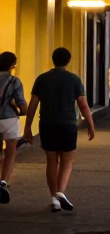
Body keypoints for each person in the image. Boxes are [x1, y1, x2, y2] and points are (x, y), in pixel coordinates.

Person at [22, 47, 96, 212]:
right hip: (68, 124)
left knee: (51, 161)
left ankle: (54, 198)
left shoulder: (42, 79)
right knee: (66, 161)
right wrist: (90, 124)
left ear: (52, 59)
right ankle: (60, 193)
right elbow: (83, 105)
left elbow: (33, 105)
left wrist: (27, 127)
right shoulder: (74, 80)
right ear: (68, 60)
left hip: (47, 124)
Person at [0, 51, 27, 204]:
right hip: (9, 119)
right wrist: (23, 112)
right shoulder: (14, 81)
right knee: (10, 153)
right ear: (11, 66)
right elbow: (21, 102)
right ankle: (3, 182)